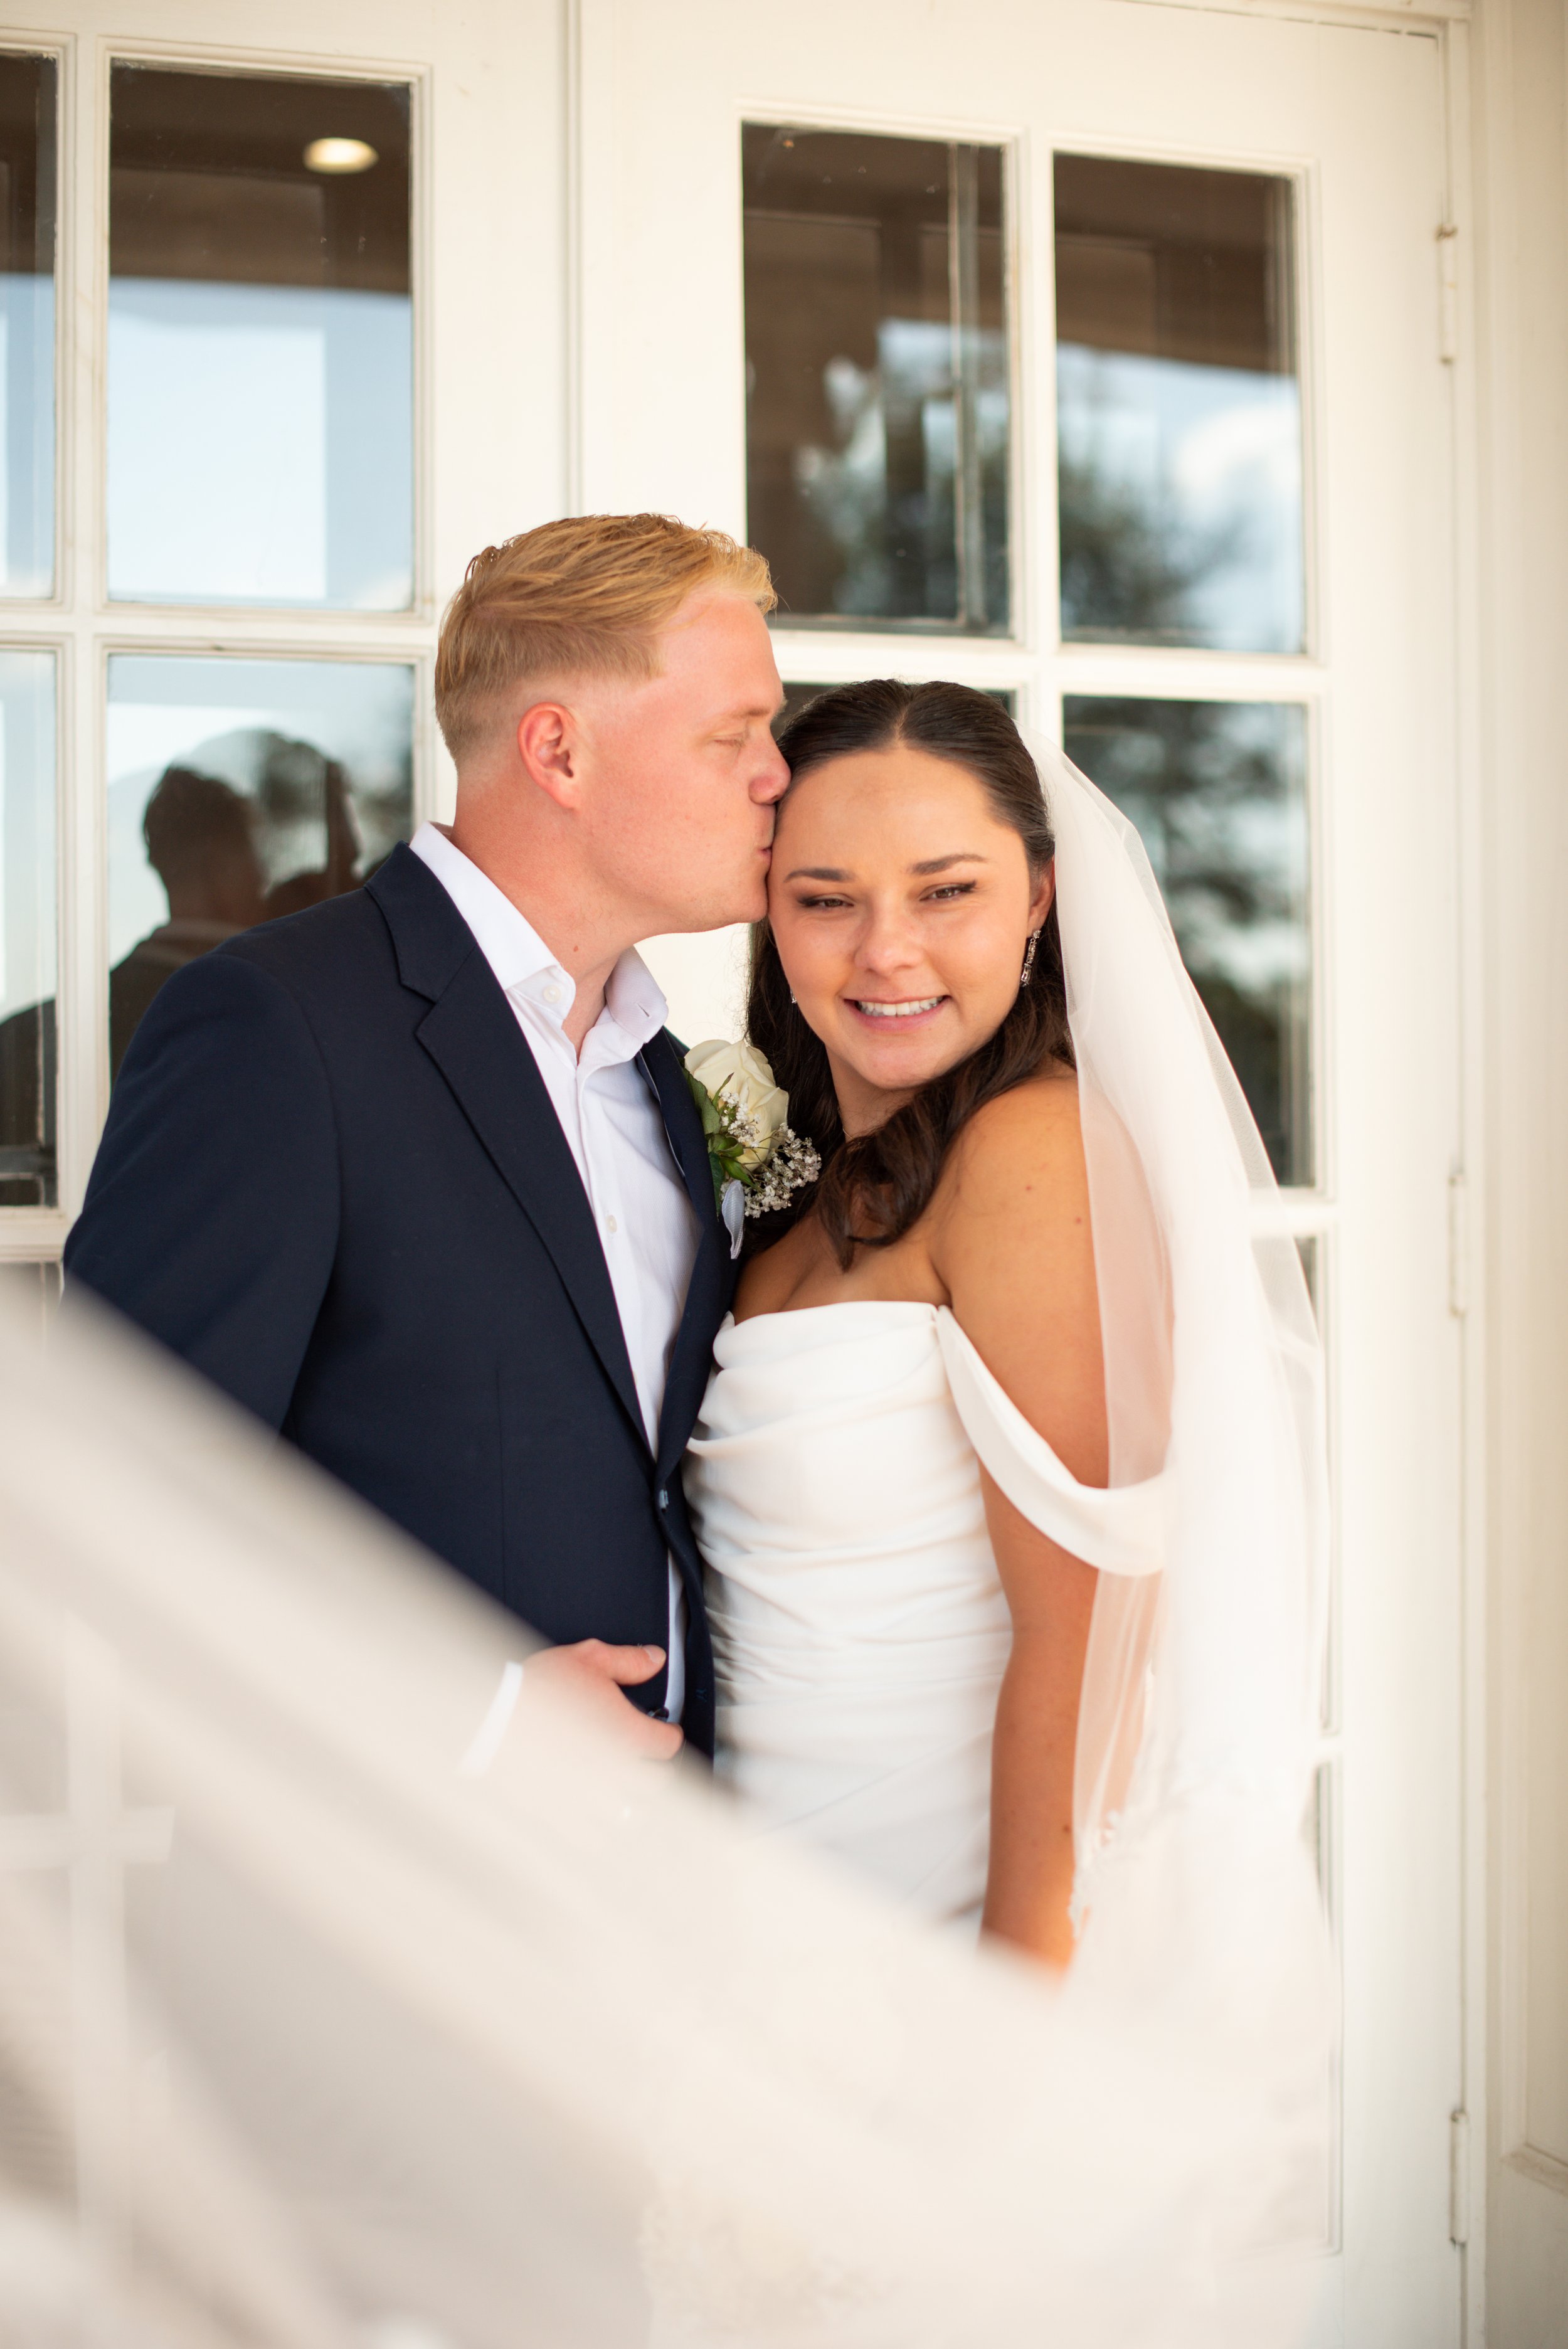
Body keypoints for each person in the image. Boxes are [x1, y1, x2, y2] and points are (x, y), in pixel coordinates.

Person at [65, 513, 790, 1759]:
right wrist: (477, 1719)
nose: (776, 772)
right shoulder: (280, 1025)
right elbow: (114, 1502)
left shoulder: (663, 1078)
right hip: (375, 1895)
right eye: (734, 734)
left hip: (658, 1888)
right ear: (558, 751)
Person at [686, 680, 1327, 1968]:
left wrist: (1009, 2006)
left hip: (940, 1917)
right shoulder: (806, 1192)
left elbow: (1087, 1628)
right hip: (766, 1894)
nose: (885, 951)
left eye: (944, 891)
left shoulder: (1031, 1153)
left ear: (1036, 898)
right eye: (825, 898)